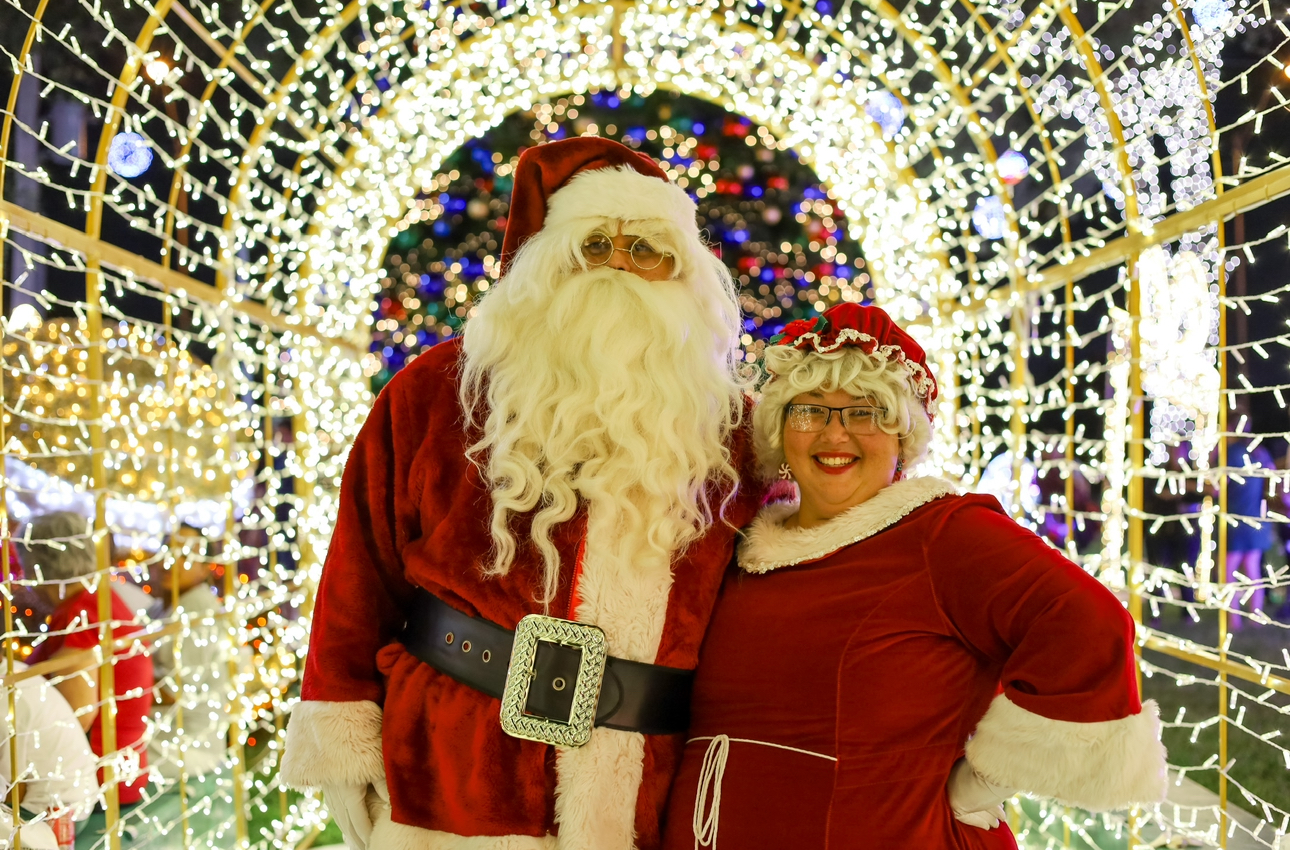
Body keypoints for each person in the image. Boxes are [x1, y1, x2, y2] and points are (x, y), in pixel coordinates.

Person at [280, 137, 765, 850]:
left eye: (647, 250)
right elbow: (359, 569)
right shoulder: (438, 391)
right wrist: (341, 726)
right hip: (452, 769)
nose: (619, 266)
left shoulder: (736, 434)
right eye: (594, 244)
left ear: (684, 275)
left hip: (649, 789)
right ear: (544, 264)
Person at [661, 304, 1168, 849]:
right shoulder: (733, 546)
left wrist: (986, 778)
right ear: (782, 431)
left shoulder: (942, 534)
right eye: (810, 411)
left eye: (865, 412)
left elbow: (1087, 624)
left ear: (903, 436)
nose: (835, 435)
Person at [21, 511, 154, 807]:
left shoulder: (81, 612)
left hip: (100, 782)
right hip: (123, 773)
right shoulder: (98, 598)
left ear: (42, 566)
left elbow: (76, 714)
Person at [147, 523, 230, 779]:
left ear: (206, 568)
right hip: (165, 734)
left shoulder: (197, 611)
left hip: (186, 745)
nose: (170, 562)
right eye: (166, 552)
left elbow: (175, 690)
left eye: (183, 555)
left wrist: (117, 685)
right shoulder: (166, 607)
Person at [0, 662, 99, 818]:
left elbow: (12, 789)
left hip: (53, 814)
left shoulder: (6, 701)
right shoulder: (15, 669)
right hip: (80, 799)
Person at [1225, 431, 1274, 630]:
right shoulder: (1260, 454)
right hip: (1256, 520)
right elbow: (1272, 472)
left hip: (1236, 520)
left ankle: (1233, 620)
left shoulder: (1230, 453)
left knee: (1229, 572)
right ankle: (1256, 616)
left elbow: (1218, 488)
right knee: (1253, 570)